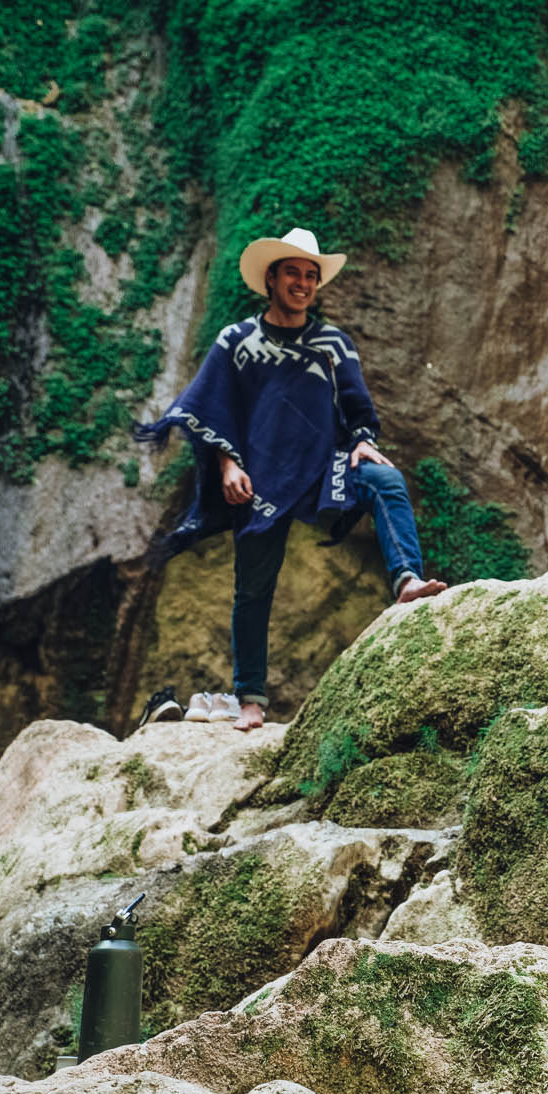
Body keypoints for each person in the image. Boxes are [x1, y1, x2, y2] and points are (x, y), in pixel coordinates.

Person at [133, 228, 446, 730]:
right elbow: (211, 406)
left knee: (386, 480)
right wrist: (228, 463)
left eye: (310, 276)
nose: (302, 283)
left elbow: (358, 406)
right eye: (293, 273)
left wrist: (364, 439)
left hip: (325, 467)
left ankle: (407, 580)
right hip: (260, 476)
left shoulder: (333, 343)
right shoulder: (236, 341)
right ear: (271, 280)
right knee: (253, 586)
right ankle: (250, 700)